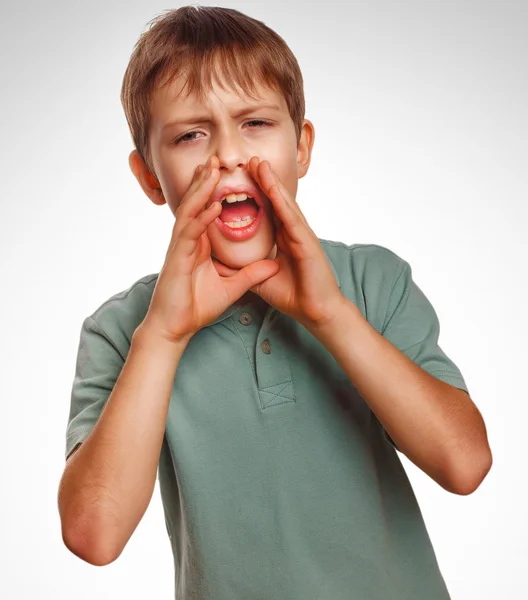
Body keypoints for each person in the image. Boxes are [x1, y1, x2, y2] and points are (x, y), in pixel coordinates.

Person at [57, 6, 492, 600]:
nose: (229, 155)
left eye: (255, 123)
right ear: (151, 178)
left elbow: (465, 464)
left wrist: (331, 315)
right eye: (190, 135)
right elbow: (94, 534)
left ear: (302, 147)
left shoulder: (372, 280)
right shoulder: (124, 330)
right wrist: (162, 337)